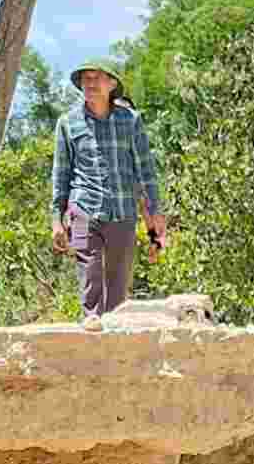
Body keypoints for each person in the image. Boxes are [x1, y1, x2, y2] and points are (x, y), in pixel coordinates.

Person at [51, 60, 168, 320]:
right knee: (88, 278)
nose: (90, 83)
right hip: (81, 212)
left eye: (97, 77)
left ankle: (114, 341)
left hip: (124, 213)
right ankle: (91, 330)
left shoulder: (130, 121)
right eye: (85, 79)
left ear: (112, 84)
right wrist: (56, 221)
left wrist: (155, 214)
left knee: (118, 287)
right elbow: (60, 175)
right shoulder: (67, 123)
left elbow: (145, 171)